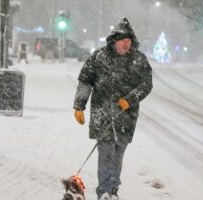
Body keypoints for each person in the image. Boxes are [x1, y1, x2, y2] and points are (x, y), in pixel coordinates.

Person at [73, 17, 153, 200]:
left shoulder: (139, 59)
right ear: (114, 40)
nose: (126, 44)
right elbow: (85, 81)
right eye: (122, 40)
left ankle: (113, 189)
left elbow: (146, 84)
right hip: (102, 113)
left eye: (129, 40)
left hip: (126, 115)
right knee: (106, 154)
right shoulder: (98, 57)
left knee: (118, 154)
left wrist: (130, 100)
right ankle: (105, 192)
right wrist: (79, 105)